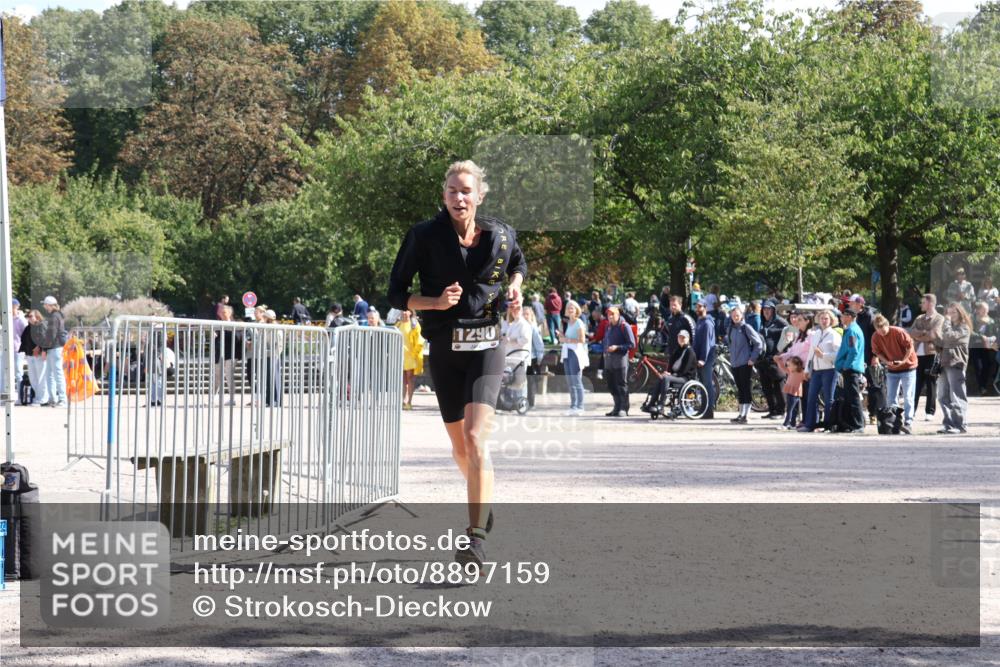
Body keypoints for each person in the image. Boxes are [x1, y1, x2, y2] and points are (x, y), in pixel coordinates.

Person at [387, 159, 526, 568]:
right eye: (452, 191)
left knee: (474, 436)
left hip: (487, 345)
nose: (459, 198)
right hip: (445, 350)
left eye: (466, 191)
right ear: (443, 196)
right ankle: (480, 500)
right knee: (458, 448)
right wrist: (434, 302)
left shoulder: (500, 235)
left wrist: (515, 288)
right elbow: (397, 294)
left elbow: (518, 265)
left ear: (480, 195)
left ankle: (475, 538)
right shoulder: (424, 237)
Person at [871, 313, 918, 432]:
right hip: (892, 369)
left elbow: (909, 347)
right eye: (878, 329)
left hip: (908, 367)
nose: (881, 332)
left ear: (887, 325)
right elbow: (877, 352)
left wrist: (903, 361)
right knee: (891, 397)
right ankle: (894, 420)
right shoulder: (875, 336)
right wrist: (887, 362)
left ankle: (908, 421)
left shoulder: (898, 332)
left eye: (883, 329)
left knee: (908, 396)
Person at [798, 309, 841, 432]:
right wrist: (807, 369)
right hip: (816, 370)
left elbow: (838, 354)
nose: (824, 320)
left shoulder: (834, 335)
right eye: (822, 318)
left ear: (831, 320)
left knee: (829, 399)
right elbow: (811, 352)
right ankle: (810, 424)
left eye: (826, 318)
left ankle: (828, 425)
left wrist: (823, 355)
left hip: (829, 370)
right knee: (811, 397)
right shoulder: (816, 334)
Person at [935, 303, 972, 434]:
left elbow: (948, 337)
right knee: (942, 396)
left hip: (956, 364)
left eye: (953, 313)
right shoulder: (949, 326)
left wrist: (946, 323)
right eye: (949, 313)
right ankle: (949, 424)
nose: (950, 315)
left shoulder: (964, 328)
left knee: (956, 395)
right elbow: (938, 341)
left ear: (960, 313)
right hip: (944, 363)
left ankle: (960, 424)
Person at [642, 330, 696, 416]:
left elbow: (685, 370)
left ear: (688, 339)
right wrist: (668, 372)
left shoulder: (690, 352)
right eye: (680, 337)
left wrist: (672, 375)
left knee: (666, 378)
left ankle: (661, 405)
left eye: (683, 337)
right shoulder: (677, 350)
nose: (681, 339)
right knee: (661, 377)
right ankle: (651, 403)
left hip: (685, 378)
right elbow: (671, 364)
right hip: (675, 376)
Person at [909, 293, 945, 421]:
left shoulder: (939, 318)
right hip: (917, 355)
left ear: (930, 303)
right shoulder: (919, 318)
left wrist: (920, 334)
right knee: (916, 384)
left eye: (923, 302)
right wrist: (924, 333)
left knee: (931, 383)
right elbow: (911, 332)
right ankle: (911, 411)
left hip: (931, 354)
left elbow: (934, 335)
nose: (921, 305)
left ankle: (930, 411)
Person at [849, 294, 883, 425]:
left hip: (869, 355)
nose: (849, 305)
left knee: (873, 385)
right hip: (856, 356)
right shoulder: (852, 317)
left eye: (852, 303)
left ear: (859, 304)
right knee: (857, 385)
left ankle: (874, 413)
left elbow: (876, 337)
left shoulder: (869, 316)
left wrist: (875, 356)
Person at [726, 305, 763, 424]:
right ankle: (741, 413)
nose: (735, 317)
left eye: (737, 315)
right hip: (735, 363)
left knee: (746, 388)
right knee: (740, 388)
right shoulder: (730, 328)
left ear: (741, 315)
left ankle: (746, 414)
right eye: (733, 315)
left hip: (745, 363)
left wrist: (752, 358)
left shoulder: (746, 327)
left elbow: (758, 344)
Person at [836, 309, 867, 433]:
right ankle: (851, 423)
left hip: (851, 369)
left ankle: (859, 424)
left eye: (843, 315)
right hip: (851, 368)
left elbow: (853, 351)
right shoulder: (853, 329)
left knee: (854, 397)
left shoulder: (852, 331)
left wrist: (846, 365)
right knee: (850, 397)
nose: (841, 318)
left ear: (849, 317)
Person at [601, 306, 635, 417]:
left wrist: (617, 347)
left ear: (618, 314)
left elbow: (632, 344)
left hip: (620, 359)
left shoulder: (624, 326)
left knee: (621, 384)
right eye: (608, 314)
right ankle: (616, 406)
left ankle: (623, 408)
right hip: (609, 359)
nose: (610, 316)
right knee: (611, 384)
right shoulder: (608, 326)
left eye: (613, 314)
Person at [757, 300, 788, 419]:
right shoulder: (763, 322)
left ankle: (781, 411)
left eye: (768, 309)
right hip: (764, 360)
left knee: (778, 385)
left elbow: (789, 335)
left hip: (775, 359)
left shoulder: (780, 322)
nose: (766, 312)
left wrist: (781, 353)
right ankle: (772, 409)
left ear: (773, 310)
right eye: (764, 309)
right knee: (766, 387)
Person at [557, 300, 588, 415]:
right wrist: (561, 336)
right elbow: (565, 339)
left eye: (572, 308)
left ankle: (580, 406)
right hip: (567, 352)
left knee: (576, 380)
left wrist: (566, 340)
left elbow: (582, 340)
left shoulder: (579, 322)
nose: (570, 309)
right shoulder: (567, 323)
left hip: (575, 353)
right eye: (568, 307)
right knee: (570, 381)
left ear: (576, 310)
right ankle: (573, 406)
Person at [213, 305, 243, 406]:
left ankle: (232, 398)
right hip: (220, 353)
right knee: (217, 375)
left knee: (229, 374)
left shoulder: (235, 324)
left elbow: (238, 337)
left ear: (230, 313)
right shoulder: (217, 325)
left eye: (224, 312)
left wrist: (223, 334)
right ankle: (213, 397)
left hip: (231, 353)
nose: (221, 313)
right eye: (220, 312)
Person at [40, 296, 67, 407]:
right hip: (54, 347)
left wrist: (44, 349)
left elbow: (51, 334)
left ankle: (62, 399)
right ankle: (53, 399)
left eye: (45, 304)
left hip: (54, 348)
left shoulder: (54, 316)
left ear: (50, 305)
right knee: (51, 375)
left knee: (56, 374)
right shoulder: (56, 315)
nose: (44, 306)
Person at [693, 301, 717, 419]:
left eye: (700, 307)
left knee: (707, 384)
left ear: (705, 308)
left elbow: (707, 343)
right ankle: (703, 408)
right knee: (702, 384)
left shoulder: (707, 323)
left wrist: (702, 359)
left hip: (706, 358)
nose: (697, 309)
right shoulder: (699, 321)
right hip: (700, 358)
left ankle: (709, 410)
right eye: (696, 307)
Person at [396, 309, 424, 410]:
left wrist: (415, 354)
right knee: (402, 380)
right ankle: (403, 400)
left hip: (410, 356)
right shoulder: (398, 324)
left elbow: (419, 341)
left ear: (410, 312)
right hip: (400, 355)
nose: (404, 312)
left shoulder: (414, 325)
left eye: (406, 311)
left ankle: (409, 401)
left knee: (410, 379)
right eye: (402, 311)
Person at [21, 310, 49, 406]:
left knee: (41, 377)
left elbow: (46, 339)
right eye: (27, 316)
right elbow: (24, 340)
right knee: (33, 378)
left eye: (30, 316)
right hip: (30, 355)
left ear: (37, 316)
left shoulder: (42, 325)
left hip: (39, 355)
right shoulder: (28, 328)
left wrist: (41, 349)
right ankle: (38, 397)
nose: (29, 317)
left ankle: (43, 399)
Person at [970, 301, 997, 395]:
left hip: (987, 347)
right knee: (978, 367)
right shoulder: (973, 319)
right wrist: (981, 337)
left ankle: (983, 387)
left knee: (986, 367)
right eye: (983, 309)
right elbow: (970, 332)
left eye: (986, 309)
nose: (985, 311)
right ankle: (981, 388)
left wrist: (989, 339)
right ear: (978, 310)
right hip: (975, 346)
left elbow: (995, 334)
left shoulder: (991, 321)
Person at [522, 307, 546, 408]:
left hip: (532, 358)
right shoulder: (520, 326)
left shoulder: (533, 327)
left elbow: (539, 344)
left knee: (531, 381)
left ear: (531, 316)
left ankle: (530, 402)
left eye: (527, 314)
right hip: (521, 357)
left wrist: (539, 358)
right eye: (524, 314)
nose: (525, 316)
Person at [776, 355, 805, 430]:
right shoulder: (790, 371)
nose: (787, 366)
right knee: (793, 409)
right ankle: (792, 424)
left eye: (789, 365)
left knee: (790, 409)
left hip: (795, 393)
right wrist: (779, 361)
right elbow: (782, 368)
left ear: (795, 366)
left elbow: (807, 377)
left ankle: (786, 424)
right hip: (790, 391)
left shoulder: (801, 372)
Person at [12, 298, 28, 405]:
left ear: (16, 307)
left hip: (18, 349)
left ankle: (20, 397)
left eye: (13, 306)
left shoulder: (21, 319)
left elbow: (26, 334)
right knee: (6, 373)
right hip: (8, 349)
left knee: (18, 373)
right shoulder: (7, 318)